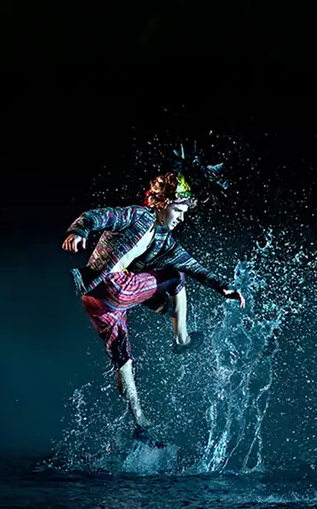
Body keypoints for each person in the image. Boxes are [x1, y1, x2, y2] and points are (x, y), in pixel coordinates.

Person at [62, 171, 244, 448]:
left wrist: (222, 287)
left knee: (123, 359)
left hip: (96, 301)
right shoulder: (138, 215)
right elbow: (96, 216)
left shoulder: (164, 241)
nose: (181, 218)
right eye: (179, 210)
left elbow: (195, 266)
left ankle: (140, 422)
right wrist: (78, 231)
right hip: (112, 288)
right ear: (163, 203)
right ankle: (181, 338)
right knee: (175, 277)